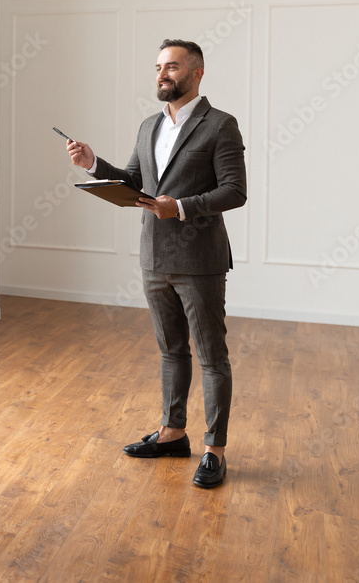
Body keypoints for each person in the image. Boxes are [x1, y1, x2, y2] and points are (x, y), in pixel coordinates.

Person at [67, 39, 246, 488]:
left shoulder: (220, 125)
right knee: (170, 350)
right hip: (153, 257)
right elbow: (133, 182)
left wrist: (181, 207)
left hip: (199, 259)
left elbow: (235, 191)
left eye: (172, 67)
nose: (162, 74)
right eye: (159, 67)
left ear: (197, 73)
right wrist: (93, 165)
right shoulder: (149, 125)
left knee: (211, 357)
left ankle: (214, 449)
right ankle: (172, 434)